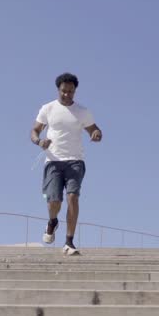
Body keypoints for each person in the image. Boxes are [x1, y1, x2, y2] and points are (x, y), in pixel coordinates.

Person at [30, 72, 102, 255]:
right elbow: (35, 131)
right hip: (53, 161)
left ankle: (69, 242)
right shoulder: (48, 108)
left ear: (75, 91)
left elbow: (94, 129)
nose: (67, 95)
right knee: (54, 201)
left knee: (73, 197)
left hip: (75, 160)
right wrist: (39, 141)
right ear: (58, 90)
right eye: (64, 91)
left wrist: (96, 134)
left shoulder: (82, 111)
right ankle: (52, 221)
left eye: (70, 92)